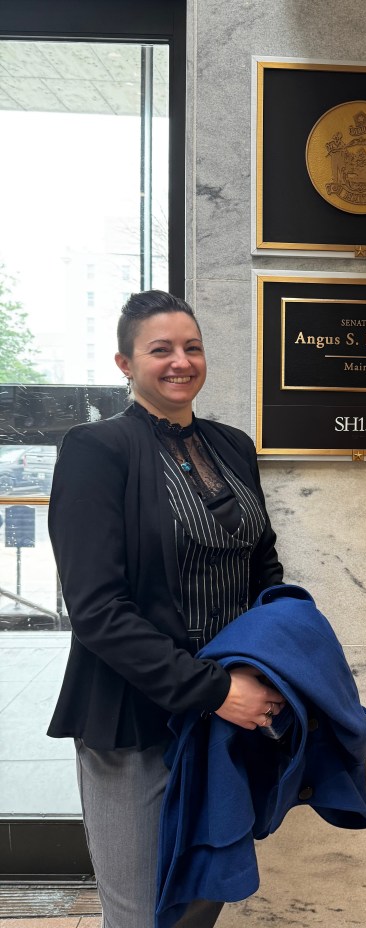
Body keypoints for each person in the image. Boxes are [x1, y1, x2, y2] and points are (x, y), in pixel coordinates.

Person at [47, 290, 286, 928]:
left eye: (192, 347)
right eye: (160, 350)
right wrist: (211, 690)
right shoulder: (96, 450)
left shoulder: (234, 447)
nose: (180, 361)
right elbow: (96, 609)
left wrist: (269, 665)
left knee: (202, 896)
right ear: (126, 363)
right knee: (145, 913)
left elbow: (261, 565)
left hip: (228, 710)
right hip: (135, 714)